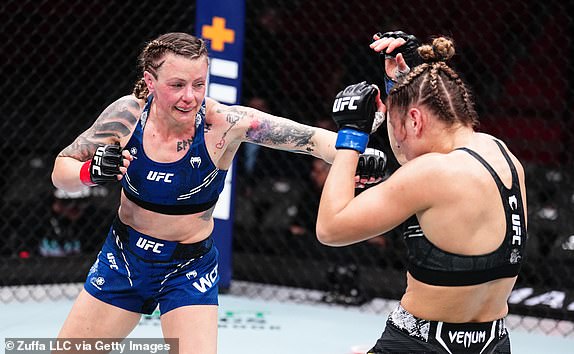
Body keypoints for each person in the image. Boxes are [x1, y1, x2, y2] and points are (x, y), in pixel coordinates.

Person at [51, 32, 383, 354]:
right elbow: (60, 171)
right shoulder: (127, 116)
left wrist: (356, 151)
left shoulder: (223, 124)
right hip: (123, 259)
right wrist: (89, 172)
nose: (189, 97)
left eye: (198, 84)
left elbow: (312, 140)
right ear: (150, 82)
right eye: (177, 85)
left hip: (188, 268)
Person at [316, 32, 528, 353]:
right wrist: (400, 89)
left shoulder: (431, 175)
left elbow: (330, 229)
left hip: (420, 344)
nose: (396, 144)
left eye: (397, 126)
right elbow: (408, 153)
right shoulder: (501, 153)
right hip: (493, 342)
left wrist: (350, 135)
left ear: (415, 119)